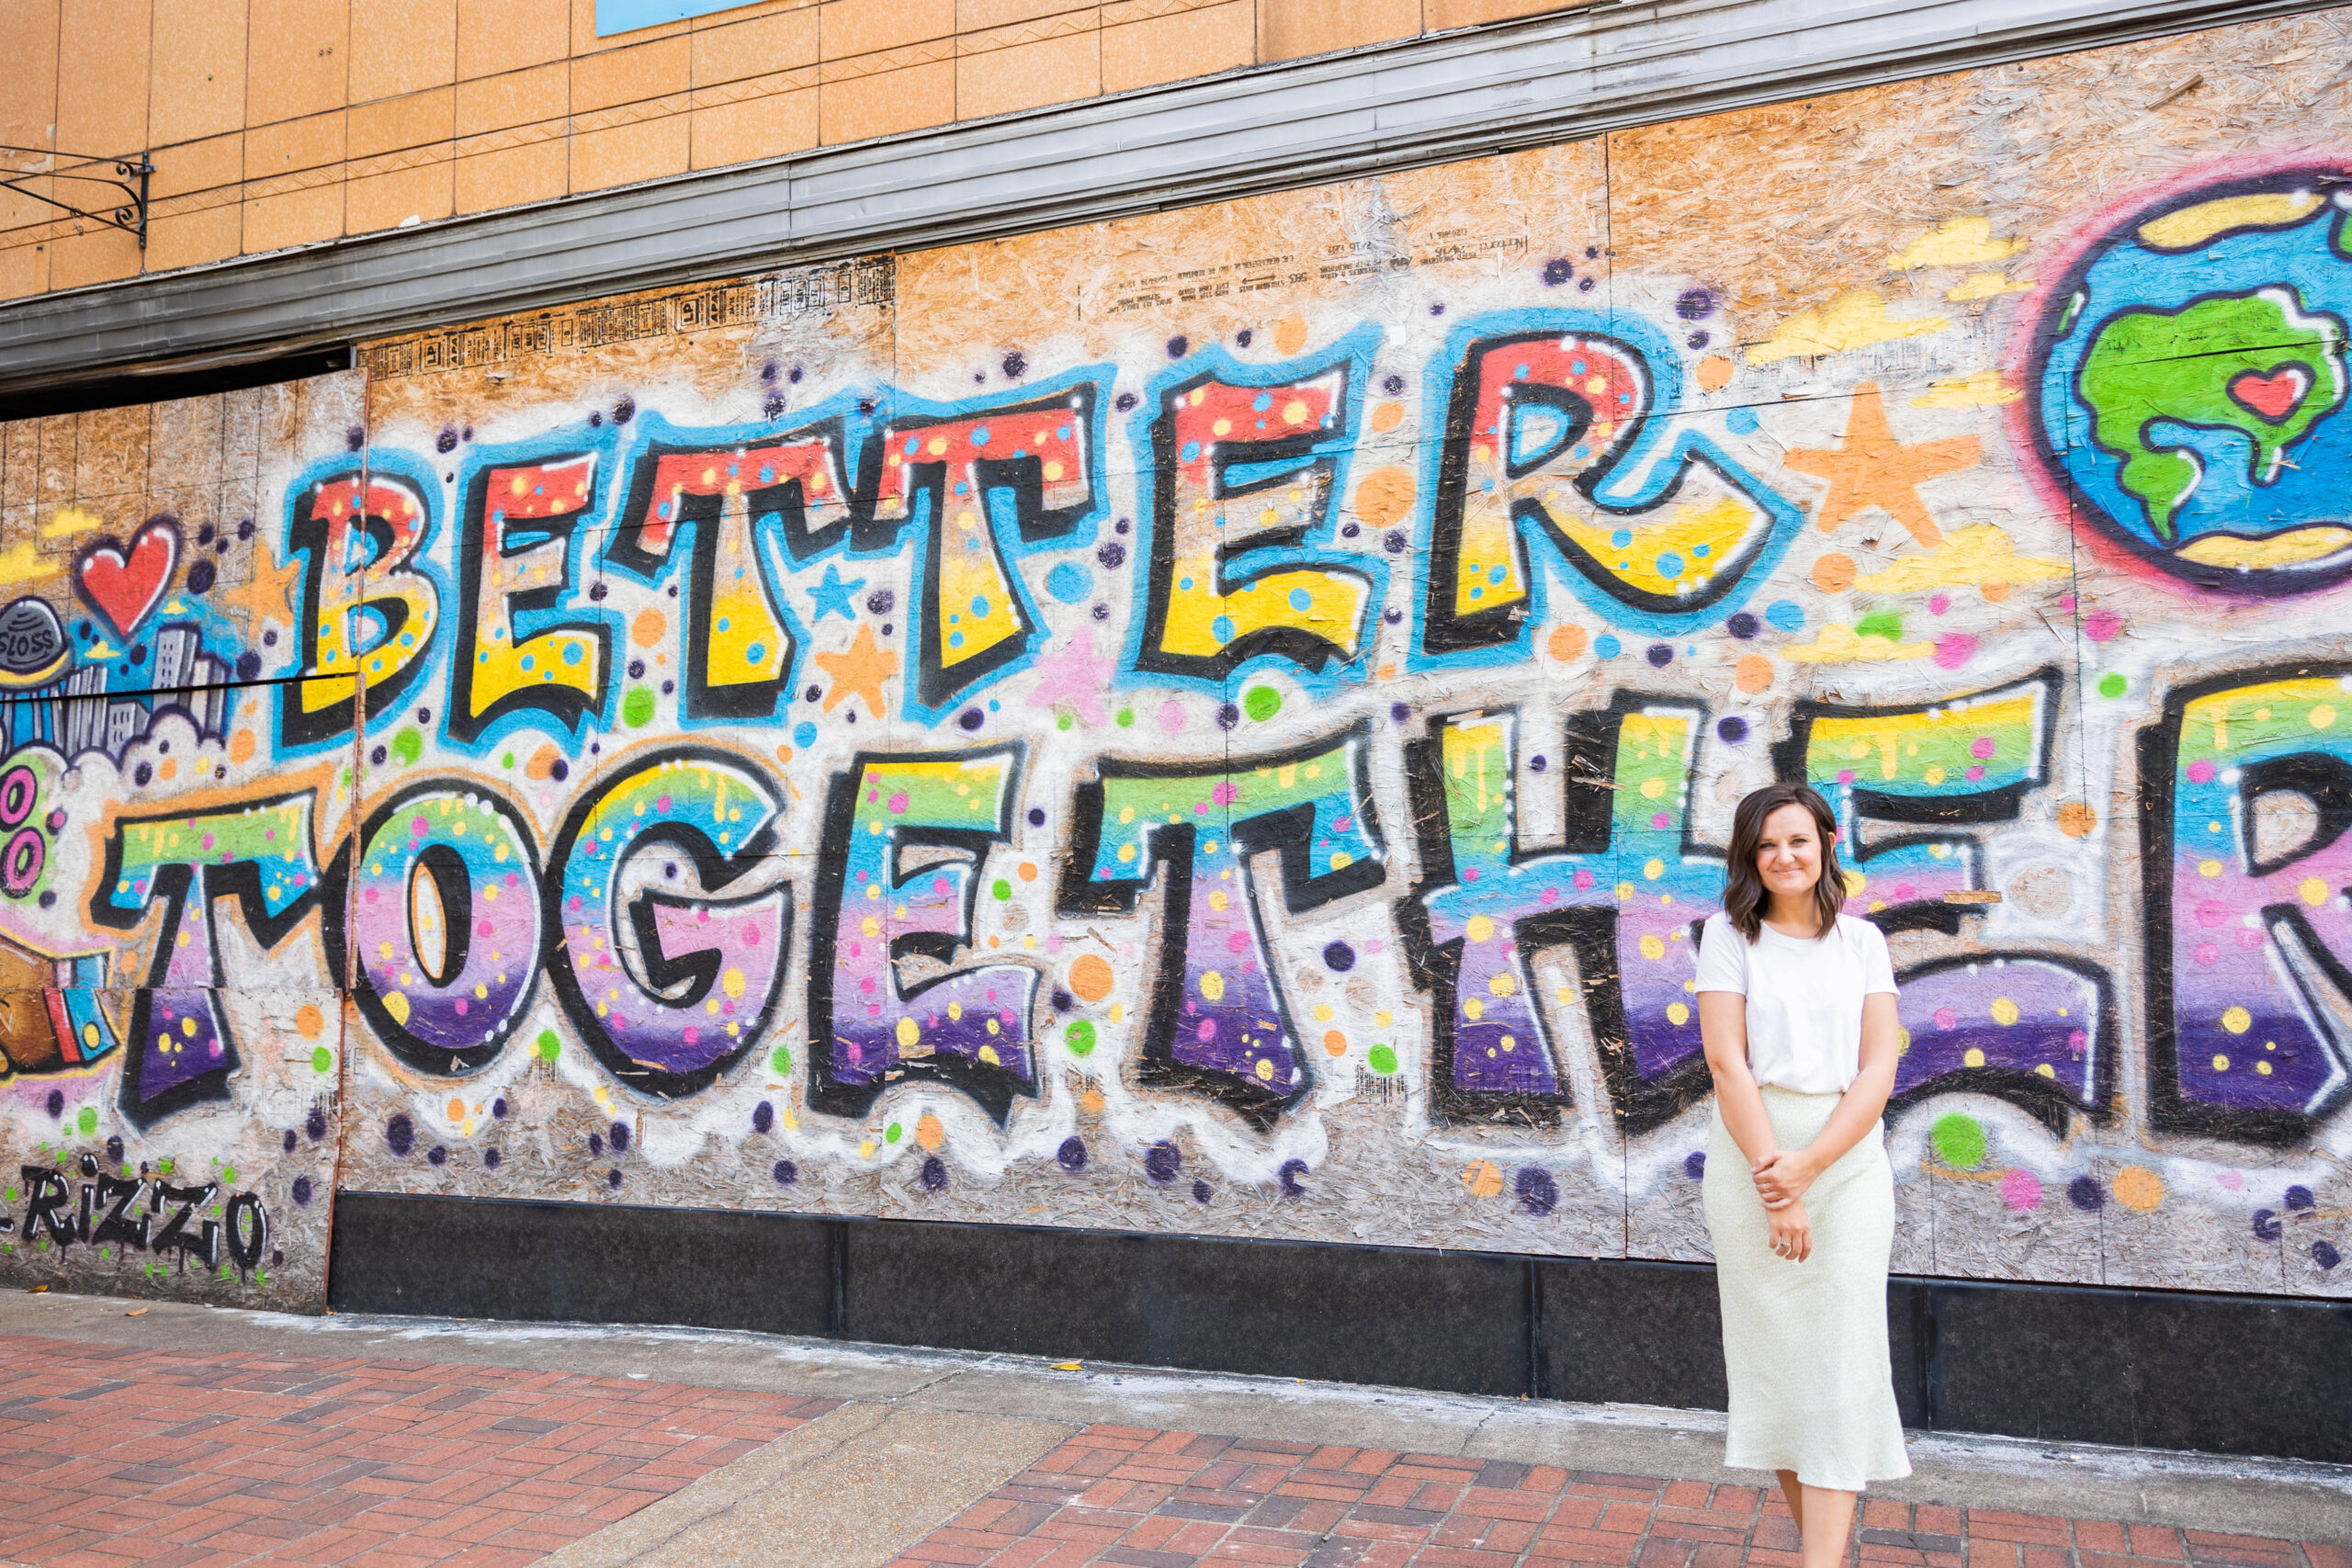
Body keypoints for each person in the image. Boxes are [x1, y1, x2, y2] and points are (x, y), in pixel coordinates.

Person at [1693, 781, 1909, 1568]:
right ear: (1750, 858)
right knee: (1781, 1367)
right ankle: (1825, 1553)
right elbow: (1727, 1061)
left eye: (1798, 840)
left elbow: (1879, 1062)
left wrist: (1810, 1168)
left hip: (1846, 1160)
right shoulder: (1728, 936)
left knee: (1842, 1367)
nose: (1784, 856)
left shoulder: (1863, 944)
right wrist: (1773, 1180)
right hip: (1752, 1152)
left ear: (1824, 844)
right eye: (1766, 845)